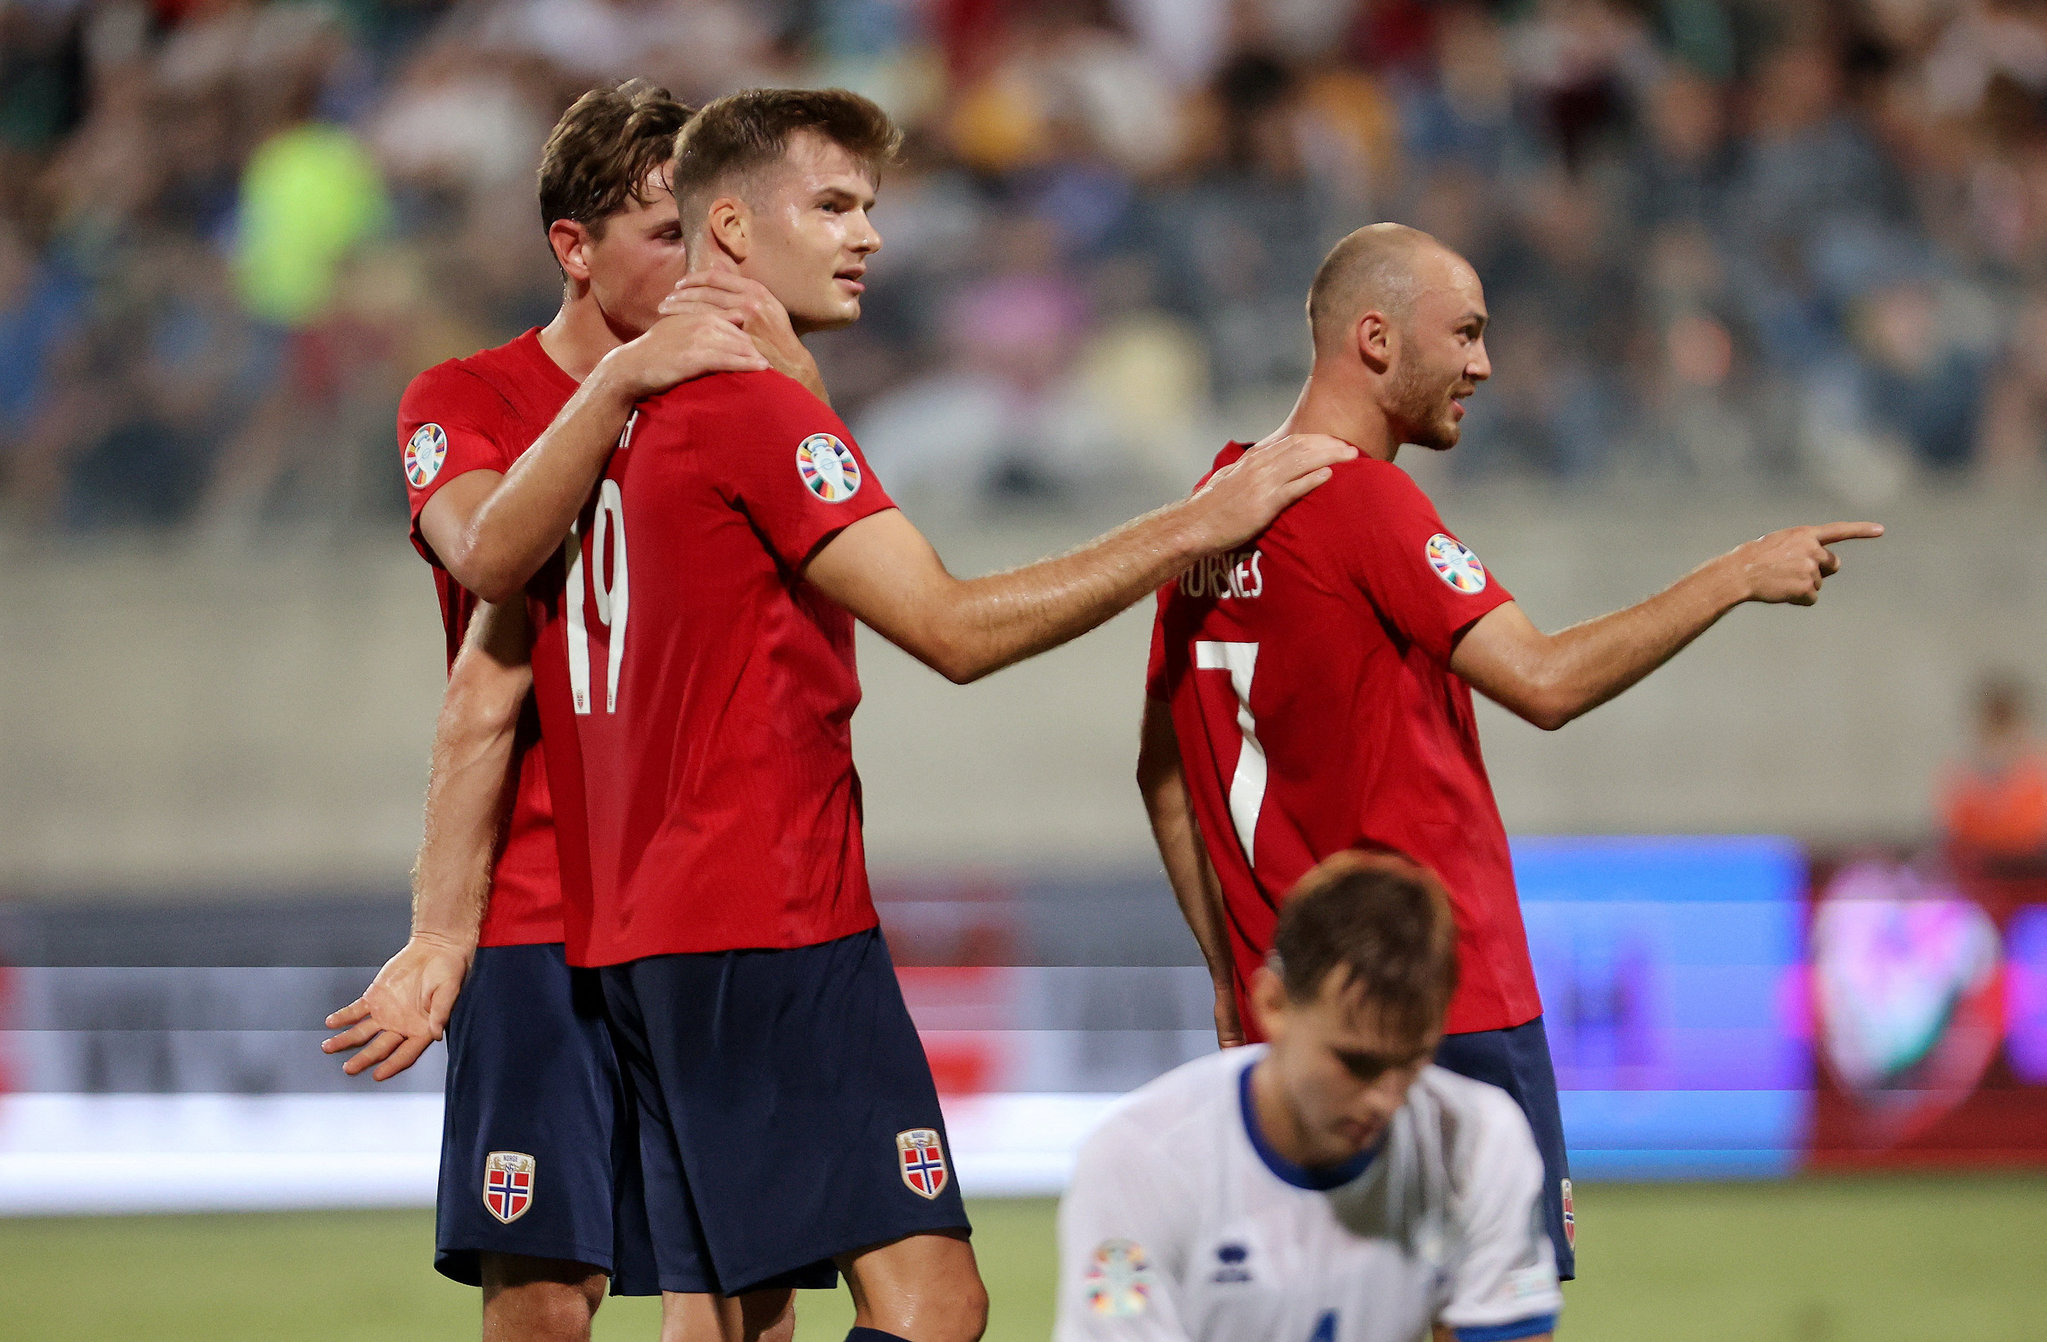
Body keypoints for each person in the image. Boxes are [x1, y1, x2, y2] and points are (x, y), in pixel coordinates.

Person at [500, 87, 1354, 1342]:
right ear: (729, 224)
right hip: (765, 918)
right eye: (833, 204)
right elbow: (950, 630)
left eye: (871, 207)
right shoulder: (748, 409)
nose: (869, 235)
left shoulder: (628, 407)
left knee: (732, 1314)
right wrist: (1195, 523)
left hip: (653, 927)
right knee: (934, 1301)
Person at [1139, 222, 1885, 1282]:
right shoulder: (1363, 501)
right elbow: (1543, 680)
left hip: (1293, 1019)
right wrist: (1736, 575)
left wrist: (1227, 974)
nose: (1484, 365)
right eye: (1467, 334)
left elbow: (1162, 772)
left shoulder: (1214, 507)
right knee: (1488, 1312)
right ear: (1376, 339)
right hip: (1445, 1007)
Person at [319, 79, 816, 1342]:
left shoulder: (739, 400)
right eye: (666, 234)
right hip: (543, 903)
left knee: (742, 1296)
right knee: (544, 1296)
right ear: (573, 248)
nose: (702, 264)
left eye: (714, 231)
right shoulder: (462, 398)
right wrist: (441, 932)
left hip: (714, 898)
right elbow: (484, 549)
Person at [1053, 850, 1563, 1342]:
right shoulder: (1139, 1161)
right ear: (1271, 1004)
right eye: (1355, 1062)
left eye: (1410, 1062)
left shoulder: (1478, 1140)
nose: (1385, 1101)